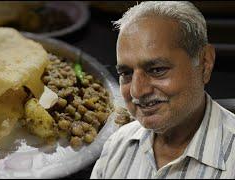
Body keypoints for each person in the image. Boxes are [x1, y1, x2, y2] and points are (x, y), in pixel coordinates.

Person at [91, 1, 235, 179]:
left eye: (157, 70)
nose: (137, 91)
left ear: (205, 64)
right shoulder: (116, 146)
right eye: (126, 73)